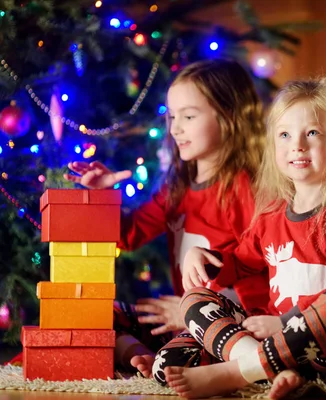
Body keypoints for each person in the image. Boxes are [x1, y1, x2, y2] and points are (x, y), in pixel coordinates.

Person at [154, 77, 326, 399]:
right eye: (284, 135)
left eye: (312, 133)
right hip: (274, 346)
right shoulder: (270, 217)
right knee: (177, 339)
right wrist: (200, 258)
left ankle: (238, 371)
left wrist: (284, 323)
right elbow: (238, 263)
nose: (297, 145)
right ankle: (277, 373)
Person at [63, 59, 270, 376]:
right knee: (90, 312)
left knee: (189, 353)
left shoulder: (245, 189)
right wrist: (103, 195)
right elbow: (127, 236)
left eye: (188, 116)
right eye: (172, 116)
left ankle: (175, 361)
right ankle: (143, 356)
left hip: (228, 325)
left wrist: (199, 316)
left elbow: (258, 269)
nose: (175, 128)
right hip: (184, 322)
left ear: (230, 116)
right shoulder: (176, 189)